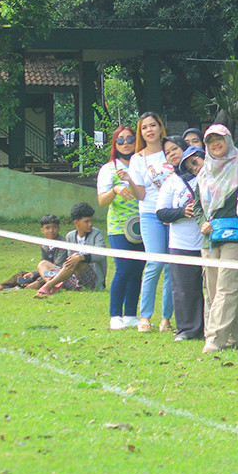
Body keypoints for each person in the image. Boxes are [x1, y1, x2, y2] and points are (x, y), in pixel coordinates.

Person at [197, 124, 238, 354]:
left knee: (227, 288)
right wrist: (202, 221)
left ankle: (214, 340)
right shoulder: (204, 172)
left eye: (219, 139)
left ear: (229, 140)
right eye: (210, 141)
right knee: (213, 290)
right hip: (211, 238)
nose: (215, 144)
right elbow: (197, 204)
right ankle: (233, 337)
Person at [118, 111, 175, 333]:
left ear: (161, 127)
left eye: (153, 125)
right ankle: (145, 316)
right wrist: (130, 180)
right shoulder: (137, 159)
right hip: (150, 213)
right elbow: (140, 195)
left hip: (174, 214)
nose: (149, 130)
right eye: (144, 127)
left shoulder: (170, 152)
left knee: (172, 265)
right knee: (155, 262)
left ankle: (166, 318)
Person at [96, 125, 145, 329]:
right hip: (119, 228)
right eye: (120, 140)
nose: (126, 144)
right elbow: (102, 201)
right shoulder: (108, 169)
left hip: (143, 225)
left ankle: (131, 314)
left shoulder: (140, 164)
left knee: (137, 270)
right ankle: (115, 314)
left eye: (130, 139)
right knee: (123, 269)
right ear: (114, 144)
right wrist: (115, 189)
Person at [156, 145, 206, 341]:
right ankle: (187, 330)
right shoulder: (172, 182)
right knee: (184, 289)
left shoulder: (210, 178)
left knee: (213, 289)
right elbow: (161, 212)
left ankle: (211, 328)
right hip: (181, 243)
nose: (193, 167)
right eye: (189, 165)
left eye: (196, 161)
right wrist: (181, 212)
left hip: (208, 241)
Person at [33, 202, 107, 297]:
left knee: (77, 258)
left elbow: (101, 255)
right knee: (43, 264)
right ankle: (55, 285)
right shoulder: (70, 236)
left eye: (91, 221)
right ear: (76, 223)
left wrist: (81, 257)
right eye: (86, 221)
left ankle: (48, 285)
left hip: (92, 281)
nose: (90, 224)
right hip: (73, 277)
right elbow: (69, 261)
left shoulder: (97, 234)